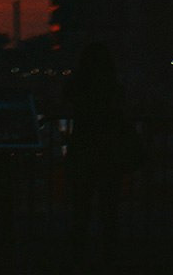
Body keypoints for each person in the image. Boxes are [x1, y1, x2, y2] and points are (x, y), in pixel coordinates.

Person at [62, 41, 141, 269]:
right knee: (109, 209)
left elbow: (66, 100)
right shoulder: (113, 86)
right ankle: (110, 256)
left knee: (81, 209)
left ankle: (78, 256)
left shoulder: (78, 86)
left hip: (84, 150)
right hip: (110, 153)